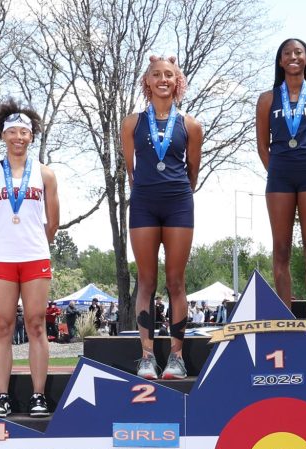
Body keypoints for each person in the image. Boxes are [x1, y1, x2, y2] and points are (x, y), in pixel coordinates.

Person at [121, 55, 203, 380]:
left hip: (178, 203)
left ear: (177, 82)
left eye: (169, 75)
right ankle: (146, 358)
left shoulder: (190, 124)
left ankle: (176, 357)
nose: (163, 80)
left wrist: (175, 188)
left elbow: (192, 171)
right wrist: (147, 187)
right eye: (157, 75)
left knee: (176, 282)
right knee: (146, 280)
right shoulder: (132, 123)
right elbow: (131, 170)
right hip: (144, 204)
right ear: (148, 82)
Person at [0, 99, 60, 418]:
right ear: (2, 136)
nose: (18, 137)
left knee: (37, 324)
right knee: (2, 325)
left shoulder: (45, 174)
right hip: (1, 258)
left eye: (24, 131)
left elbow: (52, 221)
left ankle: (38, 396)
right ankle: (2, 396)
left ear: (32, 136)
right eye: (12, 131)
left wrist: (35, 242)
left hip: (35, 255)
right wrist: (4, 243)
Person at [256, 38, 306, 319]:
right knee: (281, 249)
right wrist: (278, 169)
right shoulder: (267, 99)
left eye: (298, 52)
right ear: (280, 61)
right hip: (279, 177)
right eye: (287, 53)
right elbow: (262, 147)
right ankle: (286, 317)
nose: (293, 56)